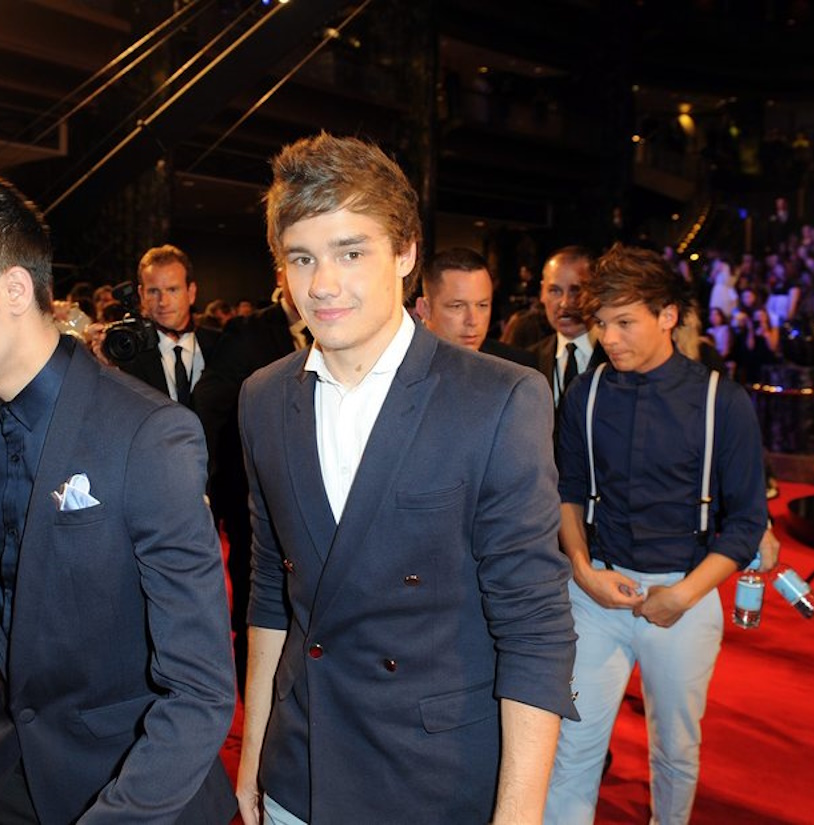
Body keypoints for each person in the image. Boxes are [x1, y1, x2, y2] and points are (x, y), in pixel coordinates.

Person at [0, 159, 236, 825]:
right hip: (4, 778)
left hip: (132, 790)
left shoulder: (148, 433)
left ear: (10, 289)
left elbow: (200, 690)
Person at [236, 133, 577, 825]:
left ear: (405, 254)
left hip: (432, 780)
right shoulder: (262, 397)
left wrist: (518, 815)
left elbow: (535, 624)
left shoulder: (499, 397)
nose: (323, 284)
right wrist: (252, 758)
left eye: (351, 252)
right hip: (297, 771)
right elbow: (273, 590)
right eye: (302, 257)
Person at [544, 244, 767, 825]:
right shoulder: (585, 394)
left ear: (667, 315)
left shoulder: (723, 400)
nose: (608, 338)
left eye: (624, 322)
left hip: (685, 592)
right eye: (601, 323)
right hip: (597, 593)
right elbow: (568, 491)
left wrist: (684, 595)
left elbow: (746, 521)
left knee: (675, 751)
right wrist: (583, 570)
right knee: (572, 747)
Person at [193, 267, 307, 693]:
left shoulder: (345, 332)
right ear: (281, 272)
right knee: (259, 605)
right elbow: (211, 410)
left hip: (321, 504)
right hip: (255, 501)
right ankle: (256, 699)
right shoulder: (248, 333)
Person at [115, 244, 220, 408]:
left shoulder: (221, 345)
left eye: (172, 289)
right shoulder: (128, 355)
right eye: (153, 291)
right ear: (142, 295)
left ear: (191, 292)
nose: (163, 302)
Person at [414, 246, 537, 367]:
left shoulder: (517, 367)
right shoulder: (400, 364)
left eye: (482, 305)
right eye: (457, 306)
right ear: (425, 309)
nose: (473, 321)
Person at [530, 247, 607, 411]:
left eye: (576, 290)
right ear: (542, 293)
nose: (565, 303)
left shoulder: (617, 357)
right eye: (554, 291)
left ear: (596, 292)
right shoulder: (529, 360)